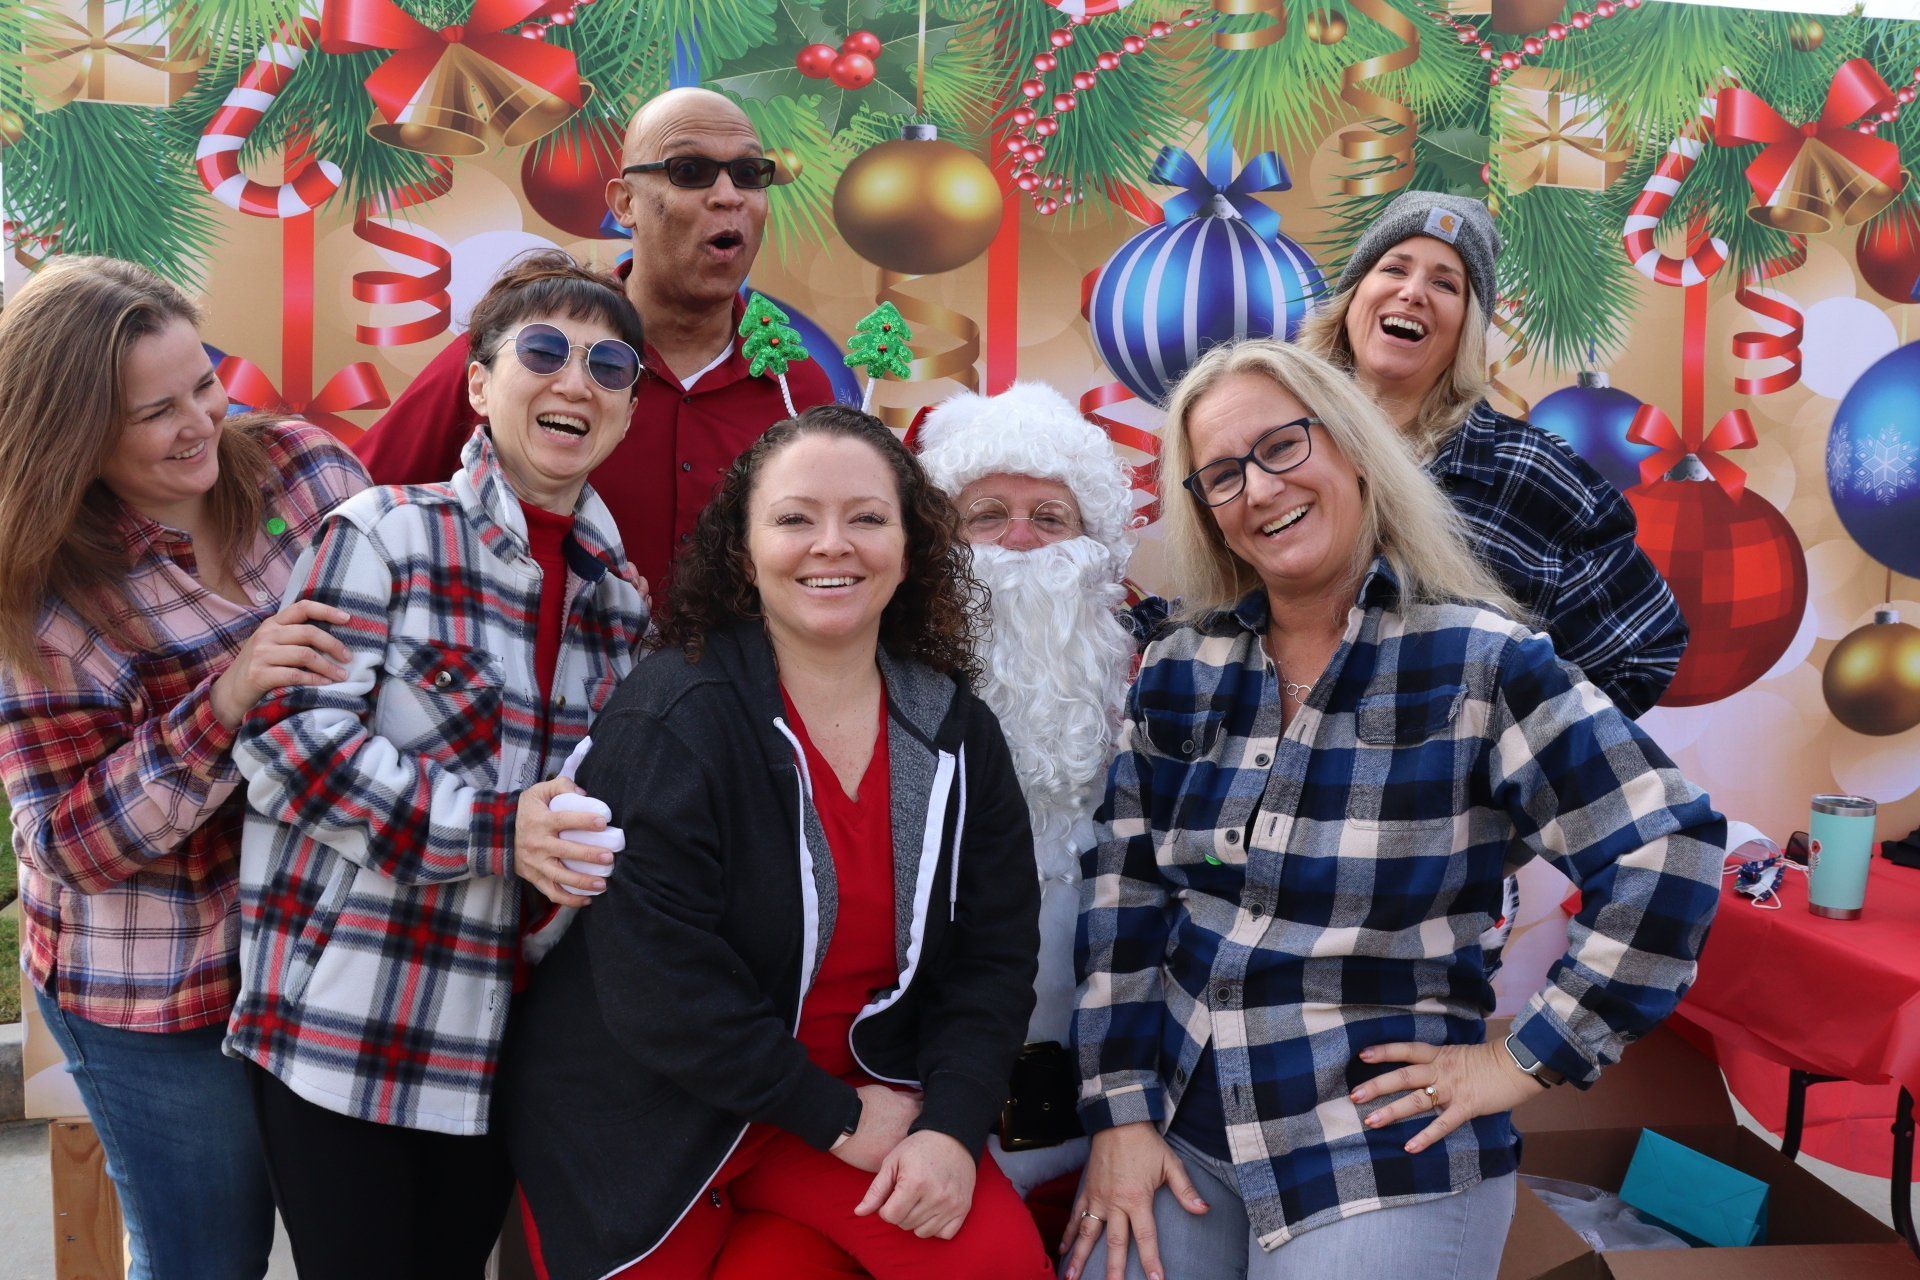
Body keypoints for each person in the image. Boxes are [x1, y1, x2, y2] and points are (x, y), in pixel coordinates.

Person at [1063, 339, 1724, 1280]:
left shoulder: (1484, 661)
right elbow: (1124, 905)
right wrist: (1118, 1116)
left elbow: (1671, 848)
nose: (1257, 488)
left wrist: (1523, 1061)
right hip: (1178, 1131)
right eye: (1220, 474)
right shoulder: (1180, 666)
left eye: (1283, 446)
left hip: (1374, 1147)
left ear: (1356, 450)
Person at [499, 405, 1053, 1280]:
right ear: (742, 550)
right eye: (795, 518)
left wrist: (950, 1125)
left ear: (910, 548)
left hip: (872, 1107)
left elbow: (993, 956)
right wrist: (829, 1114)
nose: (832, 544)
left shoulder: (955, 728)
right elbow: (656, 983)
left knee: (998, 1267)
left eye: (866, 518)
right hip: (668, 1119)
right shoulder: (674, 716)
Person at [225, 253, 652, 1279]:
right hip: (352, 1029)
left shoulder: (623, 603)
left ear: (629, 408)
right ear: (476, 381)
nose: (575, 380)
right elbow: (289, 746)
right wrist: (503, 830)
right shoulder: (382, 533)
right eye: (542, 350)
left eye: (609, 364)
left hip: (509, 1046)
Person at [0, 256, 370, 1280]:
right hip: (159, 983)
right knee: (207, 1254)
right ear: (76, 435)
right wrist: (226, 701)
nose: (201, 420)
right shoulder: (41, 596)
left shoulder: (304, 464)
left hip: (322, 945)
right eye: (154, 411)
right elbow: (67, 843)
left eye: (203, 380)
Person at [354, 87, 836, 594]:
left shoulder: (795, 387)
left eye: (749, 175)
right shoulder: (522, 353)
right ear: (625, 203)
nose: (728, 196)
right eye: (689, 171)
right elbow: (345, 505)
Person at [1296, 191, 1685, 719]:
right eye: (1394, 268)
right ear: (1353, 296)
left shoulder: (1528, 469)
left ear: (1467, 330)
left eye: (1444, 283)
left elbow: (1643, 645)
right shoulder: (1279, 447)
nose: (1413, 293)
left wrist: (1520, 752)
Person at [917, 381, 1139, 1196]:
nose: (1019, 542)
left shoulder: (1158, 684)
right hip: (927, 1117)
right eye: (986, 516)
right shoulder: (887, 687)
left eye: (1050, 518)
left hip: (1119, 1112)